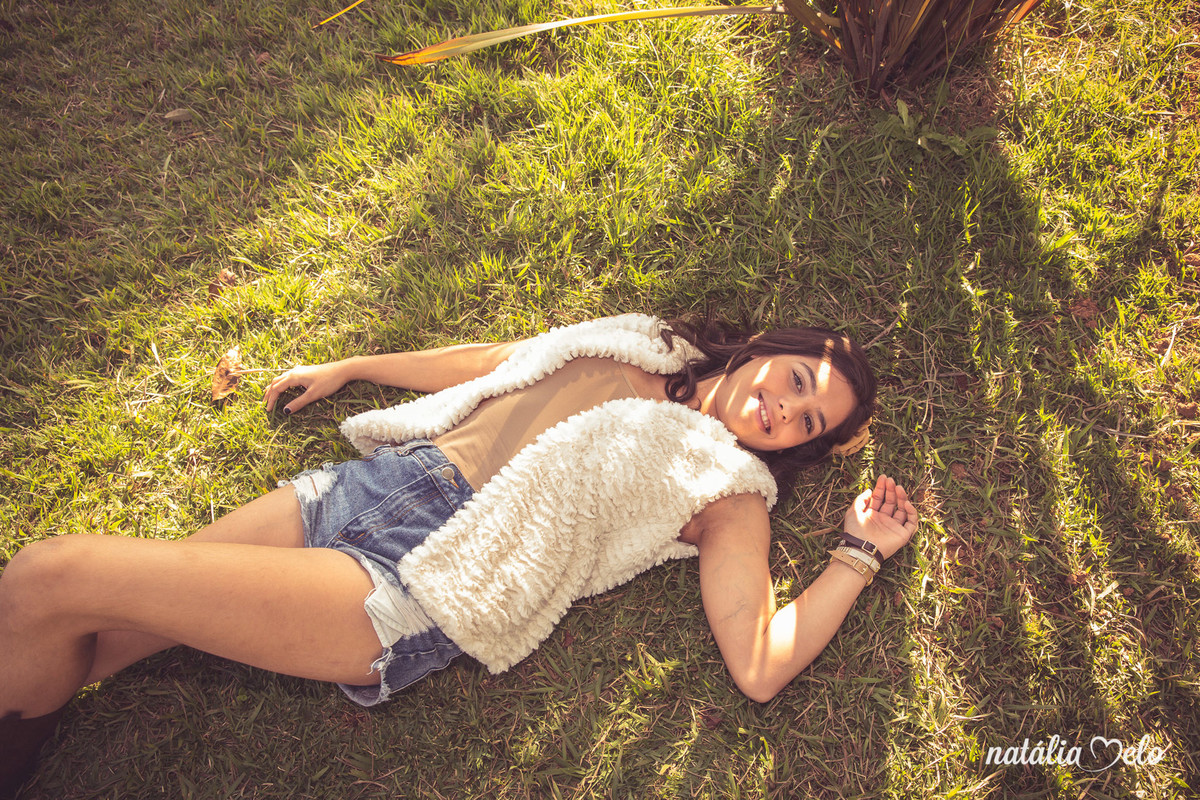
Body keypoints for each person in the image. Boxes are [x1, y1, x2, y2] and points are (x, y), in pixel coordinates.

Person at [0, 313, 918, 796]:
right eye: (796, 383)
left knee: (53, 576)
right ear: (770, 349)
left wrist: (857, 553)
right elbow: (502, 360)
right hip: (366, 490)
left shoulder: (730, 492)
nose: (782, 412)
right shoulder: (646, 340)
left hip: (420, 578)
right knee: (89, 628)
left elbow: (758, 664)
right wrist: (359, 367)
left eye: (805, 425)